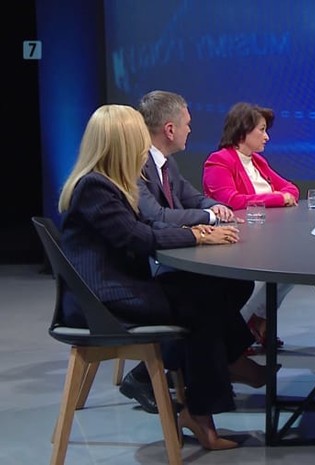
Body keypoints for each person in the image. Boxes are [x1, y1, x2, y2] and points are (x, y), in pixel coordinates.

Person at [58, 104, 271, 450]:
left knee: (208, 288)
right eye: (138, 139)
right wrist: (197, 236)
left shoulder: (110, 184)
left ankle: (219, 382)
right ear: (123, 142)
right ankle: (205, 407)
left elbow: (146, 226)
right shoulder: (95, 187)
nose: (144, 147)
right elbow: (138, 237)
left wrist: (196, 232)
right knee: (201, 304)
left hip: (118, 287)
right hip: (101, 301)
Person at [119, 90, 242, 415]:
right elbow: (155, 217)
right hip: (149, 266)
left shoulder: (166, 163)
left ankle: (220, 362)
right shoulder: (137, 166)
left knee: (235, 285)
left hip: (166, 252)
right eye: (187, 124)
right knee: (207, 294)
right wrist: (207, 221)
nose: (191, 129)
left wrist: (214, 207)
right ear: (170, 129)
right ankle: (157, 374)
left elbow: (192, 197)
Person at [203, 102, 299, 348]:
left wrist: (284, 195)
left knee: (294, 263)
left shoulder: (257, 161)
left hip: (267, 235)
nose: (267, 137)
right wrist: (278, 198)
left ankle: (258, 321)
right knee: (274, 266)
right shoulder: (219, 161)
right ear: (243, 130)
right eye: (262, 130)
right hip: (238, 239)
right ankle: (235, 337)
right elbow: (231, 201)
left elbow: (291, 188)